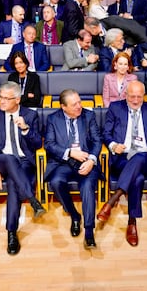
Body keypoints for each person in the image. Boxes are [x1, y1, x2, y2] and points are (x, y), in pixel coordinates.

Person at [0, 81, 45, 255]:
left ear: (17, 100)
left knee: (14, 188)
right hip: (1, 160)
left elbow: (38, 144)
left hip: (24, 161)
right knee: (8, 158)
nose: (1, 101)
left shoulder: (30, 115)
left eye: (6, 99)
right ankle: (33, 200)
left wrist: (25, 129)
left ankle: (11, 233)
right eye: (0, 97)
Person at [97, 80, 147, 246]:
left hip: (145, 157)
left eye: (139, 97)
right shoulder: (115, 107)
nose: (135, 100)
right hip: (122, 157)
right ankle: (132, 222)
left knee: (140, 157)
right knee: (138, 179)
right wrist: (113, 145)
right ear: (125, 95)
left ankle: (112, 201)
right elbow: (106, 133)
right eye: (132, 96)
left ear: (144, 96)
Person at [44, 89, 102, 249]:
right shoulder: (53, 119)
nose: (79, 106)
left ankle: (89, 231)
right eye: (74, 104)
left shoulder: (88, 116)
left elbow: (97, 141)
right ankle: (75, 215)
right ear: (64, 107)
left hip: (85, 161)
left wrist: (91, 159)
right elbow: (49, 145)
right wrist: (70, 152)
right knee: (56, 182)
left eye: (79, 102)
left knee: (88, 187)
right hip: (63, 162)